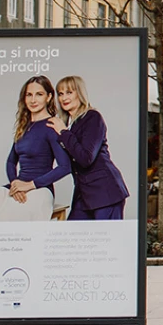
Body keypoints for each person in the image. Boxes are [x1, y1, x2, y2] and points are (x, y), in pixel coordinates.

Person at [0, 76, 71, 222]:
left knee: (6, 218)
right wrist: (15, 184)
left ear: (49, 97)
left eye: (39, 94)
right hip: (17, 186)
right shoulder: (23, 126)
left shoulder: (51, 126)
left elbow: (65, 167)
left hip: (40, 189)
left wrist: (29, 185)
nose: (33, 100)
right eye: (29, 95)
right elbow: (11, 161)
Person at [52, 76, 130, 220]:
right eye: (60, 93)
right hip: (84, 194)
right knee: (71, 238)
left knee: (107, 240)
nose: (64, 98)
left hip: (105, 193)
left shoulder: (93, 117)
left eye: (69, 92)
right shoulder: (72, 125)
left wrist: (63, 133)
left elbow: (86, 158)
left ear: (79, 93)